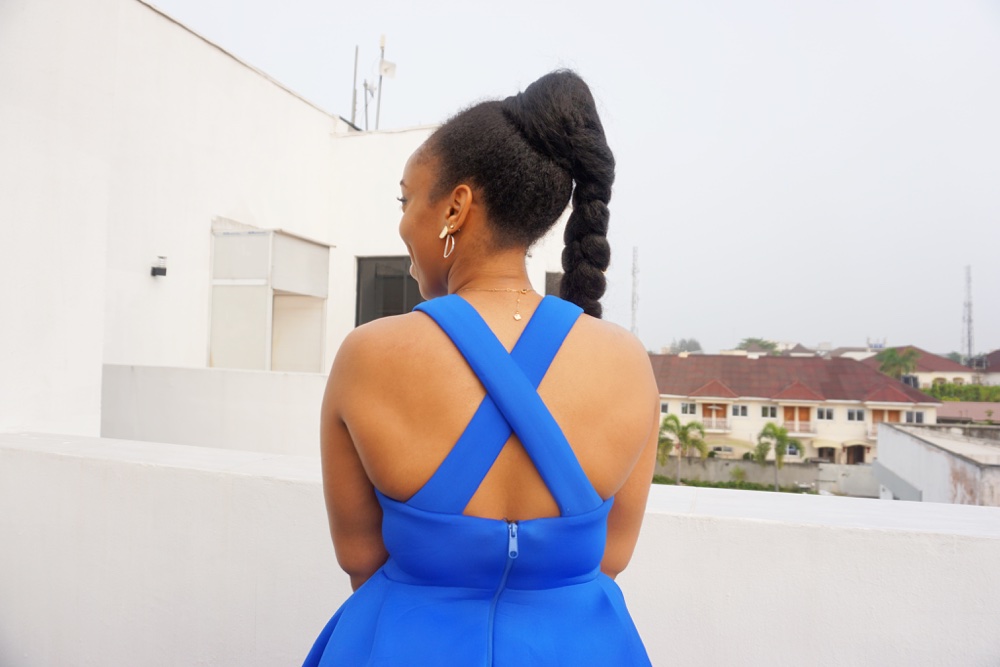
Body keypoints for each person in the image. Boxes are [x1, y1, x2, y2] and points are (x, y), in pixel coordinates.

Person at [304, 70, 659, 666]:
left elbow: (360, 559)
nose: (402, 223)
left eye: (405, 200)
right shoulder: (627, 362)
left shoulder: (368, 355)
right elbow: (612, 558)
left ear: (455, 208)